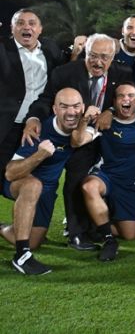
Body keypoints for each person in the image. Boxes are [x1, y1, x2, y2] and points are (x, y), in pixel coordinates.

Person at [23, 33, 133, 251]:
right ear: (85, 52)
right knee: (45, 183)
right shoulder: (65, 73)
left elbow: (127, 99)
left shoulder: (123, 73)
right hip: (61, 136)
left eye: (104, 56)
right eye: (92, 55)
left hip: (93, 138)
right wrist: (33, 118)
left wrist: (110, 110)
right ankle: (33, 227)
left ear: (112, 57)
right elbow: (46, 100)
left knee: (77, 181)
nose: (97, 61)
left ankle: (77, 233)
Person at [71, 83, 135, 261]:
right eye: (121, 96)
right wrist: (84, 120)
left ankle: (94, 222)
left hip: (128, 185)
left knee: (130, 235)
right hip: (106, 176)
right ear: (114, 101)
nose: (126, 99)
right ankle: (108, 240)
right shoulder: (104, 122)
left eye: (130, 96)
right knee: (90, 186)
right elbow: (77, 141)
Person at [2, 88, 84, 275]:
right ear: (55, 109)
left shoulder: (82, 128)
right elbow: (10, 173)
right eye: (64, 107)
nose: (71, 112)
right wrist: (39, 155)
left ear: (83, 107)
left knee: (33, 241)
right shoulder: (39, 131)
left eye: (76, 106)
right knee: (33, 185)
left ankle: (4, 229)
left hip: (47, 191)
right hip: (22, 184)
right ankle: (21, 256)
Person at [0, 9, 64, 178]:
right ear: (12, 28)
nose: (26, 27)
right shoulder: (2, 50)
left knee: (31, 180)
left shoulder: (51, 49)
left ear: (40, 29)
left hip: (37, 126)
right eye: (20, 23)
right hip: (6, 124)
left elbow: (62, 76)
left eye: (32, 23)